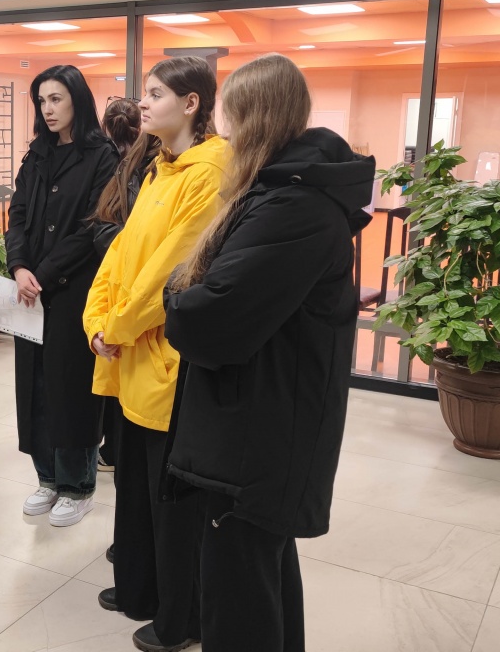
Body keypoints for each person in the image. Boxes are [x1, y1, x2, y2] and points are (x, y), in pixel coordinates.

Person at [163, 54, 374, 652]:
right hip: (261, 418)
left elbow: (210, 315)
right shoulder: (282, 192)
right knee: (260, 573)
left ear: (252, 117)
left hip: (259, 431)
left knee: (239, 591)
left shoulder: (294, 206)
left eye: (229, 115)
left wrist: (172, 297)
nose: (222, 131)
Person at [83, 56, 227, 652]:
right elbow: (121, 253)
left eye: (156, 94)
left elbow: (173, 268)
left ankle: (179, 618)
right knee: (135, 486)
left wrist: (116, 326)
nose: (143, 103)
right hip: (129, 349)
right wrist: (96, 319)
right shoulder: (159, 168)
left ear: (191, 103)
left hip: (165, 353)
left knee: (169, 499)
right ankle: (139, 589)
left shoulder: (209, 171)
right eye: (144, 93)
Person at [6, 65, 118, 526]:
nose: (48, 109)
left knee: (71, 389)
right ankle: (47, 478)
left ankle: (78, 484)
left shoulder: (102, 155)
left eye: (56, 99)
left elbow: (93, 225)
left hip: (73, 290)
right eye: (42, 101)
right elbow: (17, 215)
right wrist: (19, 267)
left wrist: (44, 273)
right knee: (34, 387)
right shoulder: (37, 154)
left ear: (77, 100)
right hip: (29, 290)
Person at [94, 96, 148, 477]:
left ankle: (112, 448)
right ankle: (118, 448)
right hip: (136, 284)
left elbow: (100, 227)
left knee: (113, 361)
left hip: (116, 282)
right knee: (130, 366)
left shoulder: (115, 169)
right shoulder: (139, 168)